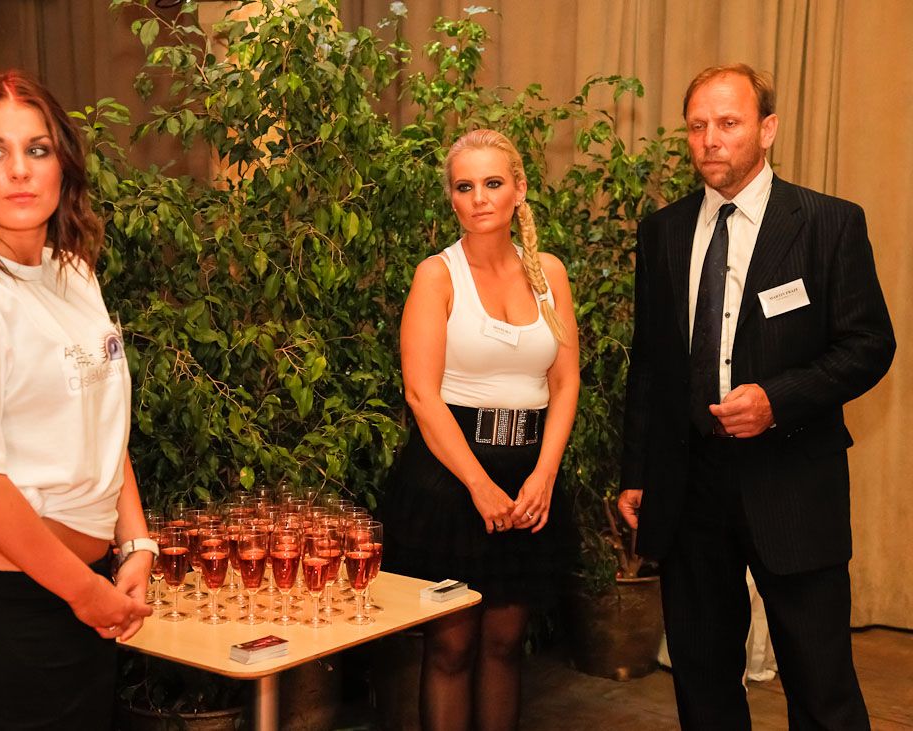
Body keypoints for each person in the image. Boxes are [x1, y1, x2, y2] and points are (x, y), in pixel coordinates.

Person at [618, 64, 895, 730]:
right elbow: (649, 364)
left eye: (728, 123)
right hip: (690, 485)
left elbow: (868, 345)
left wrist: (777, 399)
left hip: (792, 478)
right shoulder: (662, 232)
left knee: (821, 684)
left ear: (767, 130)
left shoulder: (828, 224)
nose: (710, 139)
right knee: (703, 682)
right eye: (697, 126)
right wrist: (637, 472)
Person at [0, 70, 155, 730]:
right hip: (18, 609)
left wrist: (136, 543)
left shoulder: (71, 270)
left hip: (91, 588)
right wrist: (86, 594)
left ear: (62, 166)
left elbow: (104, 425)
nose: (19, 170)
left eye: (37, 149)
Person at [381, 129, 580, 731]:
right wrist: (478, 485)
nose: (479, 198)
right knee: (451, 646)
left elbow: (565, 381)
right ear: (452, 198)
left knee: (505, 644)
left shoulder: (548, 273)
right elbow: (421, 394)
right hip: (450, 476)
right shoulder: (436, 276)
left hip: (529, 473)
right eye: (464, 187)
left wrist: (544, 475)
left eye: (493, 183)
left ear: (520, 189)